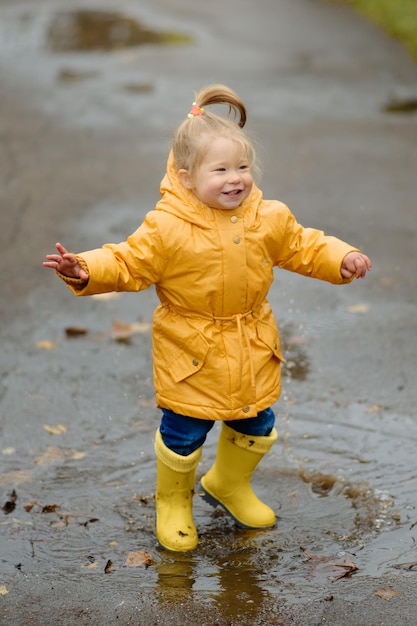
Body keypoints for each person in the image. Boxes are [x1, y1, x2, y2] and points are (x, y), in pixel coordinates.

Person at [43, 84, 371, 552]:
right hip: (190, 347)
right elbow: (128, 261)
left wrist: (342, 258)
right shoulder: (167, 226)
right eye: (220, 170)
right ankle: (173, 502)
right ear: (186, 177)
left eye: (242, 168)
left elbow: (304, 245)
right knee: (185, 431)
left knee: (256, 423)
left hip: (252, 339)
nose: (235, 178)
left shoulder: (267, 217)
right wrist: (85, 269)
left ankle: (228, 484)